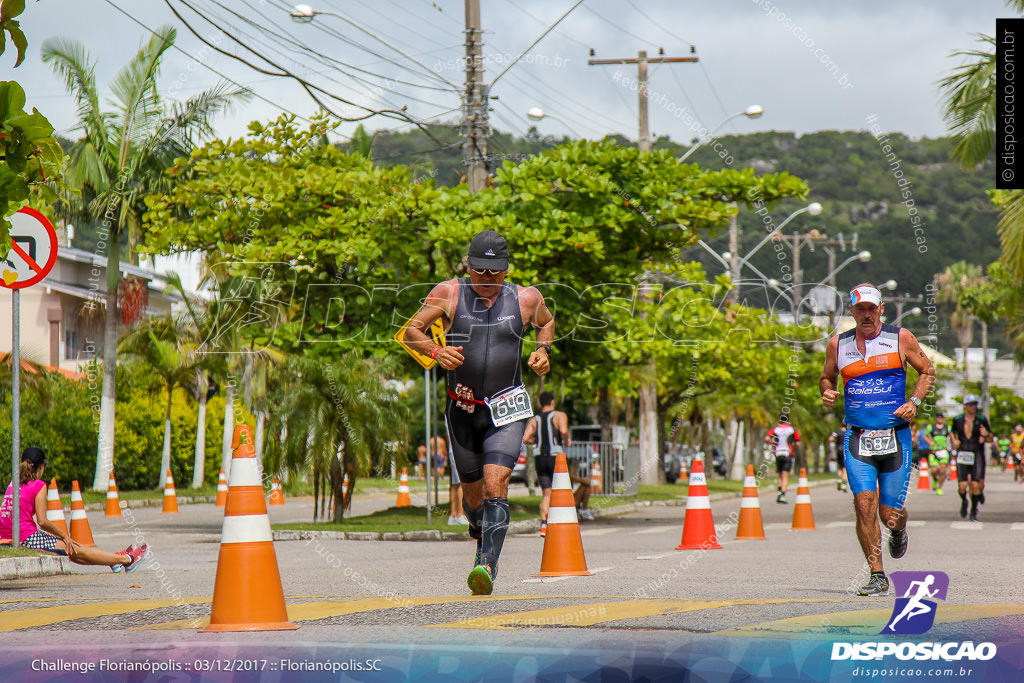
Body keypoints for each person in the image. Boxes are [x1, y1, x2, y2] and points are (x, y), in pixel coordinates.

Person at [403, 230, 554, 595]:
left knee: (495, 483)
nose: (486, 279)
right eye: (480, 270)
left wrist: (543, 351)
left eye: (495, 271)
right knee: (473, 497)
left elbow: (546, 324)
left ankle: (487, 563)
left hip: (507, 408)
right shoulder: (448, 293)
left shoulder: (527, 298)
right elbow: (412, 331)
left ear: (506, 269)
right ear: (468, 266)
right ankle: (478, 531)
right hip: (463, 410)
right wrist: (437, 352)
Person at [820, 284, 934, 596]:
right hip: (857, 439)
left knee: (889, 515)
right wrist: (827, 390)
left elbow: (927, 370)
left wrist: (915, 402)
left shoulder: (901, 338)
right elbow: (826, 377)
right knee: (863, 503)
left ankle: (898, 530)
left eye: (872, 308)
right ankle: (877, 574)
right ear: (852, 311)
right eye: (861, 309)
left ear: (881, 309)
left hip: (896, 439)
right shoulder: (837, 345)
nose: (867, 314)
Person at [0, 447, 150, 572]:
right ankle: (127, 560)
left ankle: (113, 560)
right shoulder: (38, 485)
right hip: (25, 537)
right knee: (73, 548)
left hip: (6, 536)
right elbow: (43, 521)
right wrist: (65, 536)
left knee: (74, 551)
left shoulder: (13, 483)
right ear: (40, 467)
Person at [522, 391, 574, 536]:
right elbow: (563, 430)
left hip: (540, 458)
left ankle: (544, 525)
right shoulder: (559, 415)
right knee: (562, 490)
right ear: (553, 402)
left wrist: (536, 442)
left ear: (539, 404)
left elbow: (525, 439)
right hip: (555, 457)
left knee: (546, 494)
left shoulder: (535, 419)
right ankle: (562, 521)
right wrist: (565, 441)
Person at [950, 395, 991, 522]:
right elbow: (952, 431)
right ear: (965, 406)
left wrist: (985, 435)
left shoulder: (981, 419)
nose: (973, 406)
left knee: (975, 484)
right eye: (971, 404)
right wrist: (954, 440)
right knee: (962, 486)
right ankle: (964, 501)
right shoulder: (957, 420)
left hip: (976, 453)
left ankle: (973, 511)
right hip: (962, 453)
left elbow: (990, 438)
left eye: (975, 404)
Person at [766, 415, 800, 504]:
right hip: (788, 453)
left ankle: (779, 492)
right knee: (785, 475)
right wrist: (793, 445)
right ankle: (782, 494)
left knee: (780, 473)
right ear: (788, 419)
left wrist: (773, 443)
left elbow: (767, 438)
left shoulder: (776, 428)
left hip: (778, 453)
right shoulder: (792, 429)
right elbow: (797, 443)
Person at [924, 411, 952, 495]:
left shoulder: (947, 427)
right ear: (936, 418)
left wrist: (953, 441)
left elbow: (952, 436)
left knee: (943, 470)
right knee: (933, 470)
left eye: (941, 416)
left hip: (943, 451)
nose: (940, 418)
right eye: (938, 416)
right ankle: (935, 480)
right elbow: (924, 436)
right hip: (933, 451)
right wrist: (929, 442)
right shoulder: (931, 427)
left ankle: (939, 488)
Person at [446, 438, 468, 526]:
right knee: (463, 483)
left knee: (455, 484)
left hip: (453, 449)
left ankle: (453, 515)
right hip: (459, 450)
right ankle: (460, 515)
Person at [829, 424, 849, 492]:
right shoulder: (848, 432)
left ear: (840, 425)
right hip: (845, 450)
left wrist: (835, 441)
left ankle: (839, 479)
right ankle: (844, 484)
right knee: (844, 468)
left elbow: (830, 439)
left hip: (838, 450)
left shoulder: (837, 432)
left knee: (840, 466)